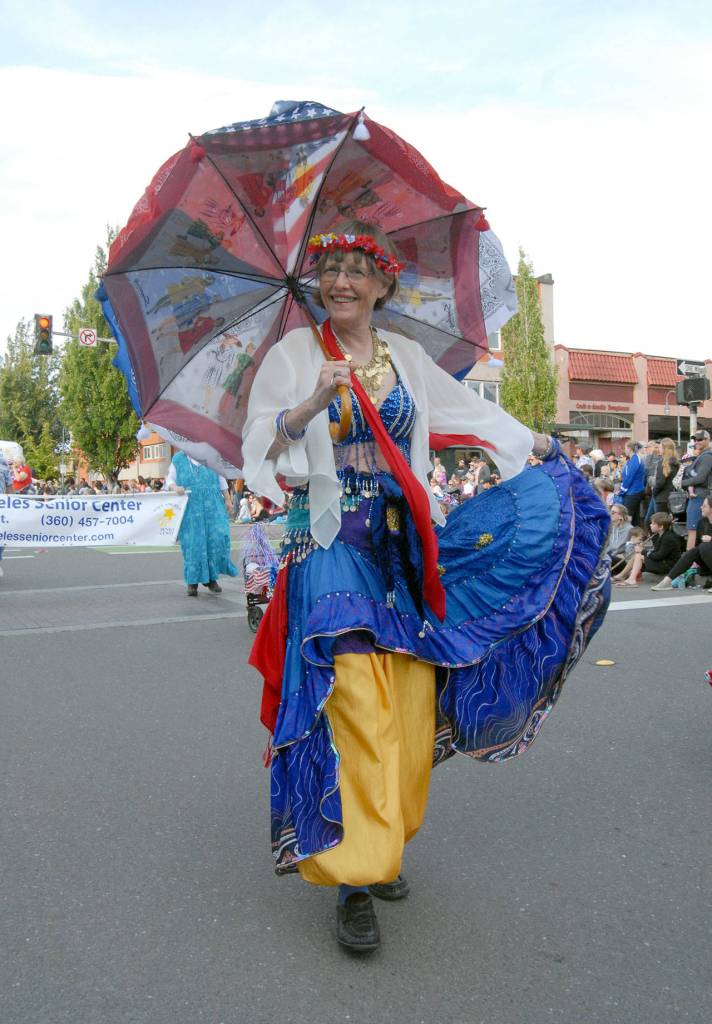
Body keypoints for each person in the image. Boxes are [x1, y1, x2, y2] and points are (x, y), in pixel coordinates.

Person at [241, 220, 610, 954]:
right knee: (354, 703)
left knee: (408, 705)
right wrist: (311, 402)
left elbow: (470, 415)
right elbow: (260, 443)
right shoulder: (294, 353)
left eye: (356, 269)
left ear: (383, 285)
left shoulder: (405, 357)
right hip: (328, 545)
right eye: (331, 269)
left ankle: (382, 842)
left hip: (403, 546)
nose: (341, 282)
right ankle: (352, 872)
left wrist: (541, 447)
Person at [165, 452, 237, 596]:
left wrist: (228, 499)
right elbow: (170, 480)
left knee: (217, 539)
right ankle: (192, 582)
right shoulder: (178, 459)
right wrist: (175, 488)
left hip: (213, 505)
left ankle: (211, 578)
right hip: (190, 507)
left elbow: (221, 480)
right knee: (194, 544)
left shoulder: (211, 456)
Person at [651, 497, 712, 590]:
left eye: (704, 506)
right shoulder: (702, 522)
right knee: (694, 550)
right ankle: (668, 580)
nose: (701, 507)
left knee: (704, 546)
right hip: (707, 562)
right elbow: (697, 546)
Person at [614, 512, 680, 587]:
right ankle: (623, 576)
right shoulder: (659, 535)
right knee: (638, 555)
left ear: (661, 527)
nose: (650, 525)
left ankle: (631, 579)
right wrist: (643, 551)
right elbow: (656, 552)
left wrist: (643, 551)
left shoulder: (668, 538)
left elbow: (659, 555)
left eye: (653, 524)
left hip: (667, 566)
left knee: (639, 555)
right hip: (662, 563)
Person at [680, 430, 712, 549]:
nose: (697, 442)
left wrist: (681, 483)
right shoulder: (702, 456)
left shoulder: (707, 457)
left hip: (700, 497)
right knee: (697, 530)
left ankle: (691, 563)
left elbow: (700, 478)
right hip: (699, 496)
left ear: (707, 440)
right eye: (695, 439)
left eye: (700, 439)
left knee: (693, 530)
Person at [616, 440, 647, 525]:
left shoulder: (635, 459)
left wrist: (622, 490)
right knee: (635, 518)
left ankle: (628, 535)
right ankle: (634, 535)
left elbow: (629, 477)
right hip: (633, 491)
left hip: (633, 492)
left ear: (629, 449)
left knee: (627, 516)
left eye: (625, 448)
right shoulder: (633, 459)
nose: (624, 450)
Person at [651, 437, 679, 514]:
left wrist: (654, 492)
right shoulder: (677, 463)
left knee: (659, 522)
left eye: (660, 447)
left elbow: (660, 482)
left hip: (662, 498)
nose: (658, 449)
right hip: (674, 497)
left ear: (664, 449)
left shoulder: (663, 463)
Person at [607, 504, 632, 574]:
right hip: (610, 556)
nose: (610, 514)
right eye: (610, 511)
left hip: (622, 560)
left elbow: (632, 550)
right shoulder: (611, 528)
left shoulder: (629, 529)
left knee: (606, 558)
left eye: (613, 512)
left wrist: (624, 555)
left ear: (621, 516)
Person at [0, 450, 13, 578]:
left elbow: (9, 485)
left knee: (1, 535)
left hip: (1, 505)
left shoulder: (2, 461)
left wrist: (13, 504)